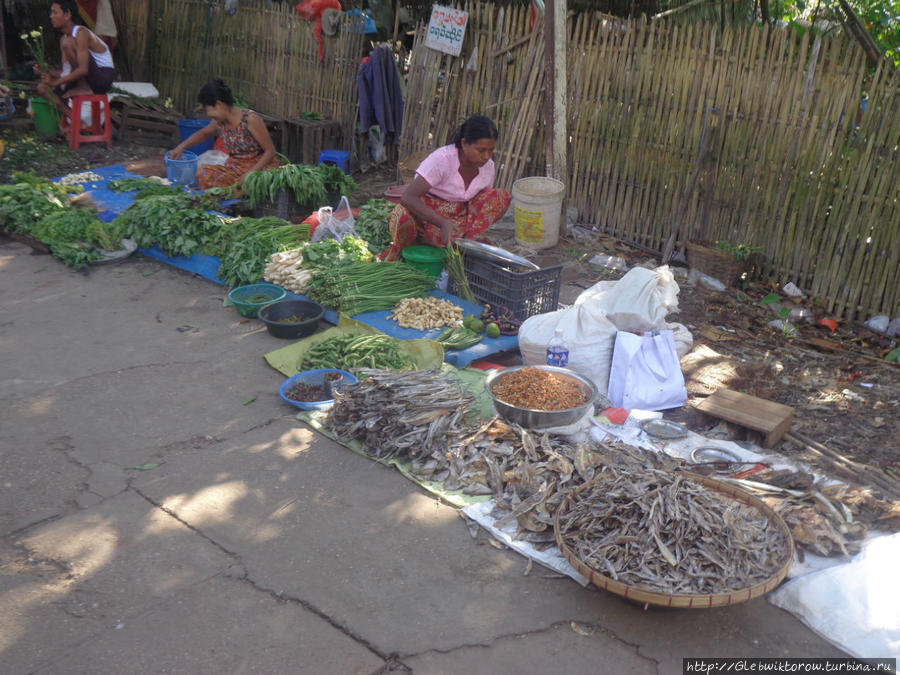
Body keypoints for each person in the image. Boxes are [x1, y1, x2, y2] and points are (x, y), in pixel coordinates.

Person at [380, 115, 512, 261]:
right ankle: (425, 243)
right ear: (464, 143)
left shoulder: (488, 167)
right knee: (402, 214)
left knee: (501, 196)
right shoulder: (442, 160)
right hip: (428, 216)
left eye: (491, 150)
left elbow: (481, 203)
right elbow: (408, 197)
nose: (487, 156)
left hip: (459, 219)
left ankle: (466, 243)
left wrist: (465, 229)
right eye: (481, 150)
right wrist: (442, 223)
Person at [169, 79, 278, 190]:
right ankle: (233, 192)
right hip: (235, 171)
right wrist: (181, 147)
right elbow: (204, 133)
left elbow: (270, 151)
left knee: (255, 185)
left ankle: (238, 192)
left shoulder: (250, 119)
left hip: (258, 169)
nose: (210, 116)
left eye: (209, 111)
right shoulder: (219, 121)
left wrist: (251, 174)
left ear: (219, 104)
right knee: (203, 173)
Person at [35, 1, 116, 126]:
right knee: (42, 88)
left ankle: (84, 87)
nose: (51, 16)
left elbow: (83, 70)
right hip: (83, 78)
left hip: (102, 78)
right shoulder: (64, 39)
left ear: (67, 15)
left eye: (55, 12)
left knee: (68, 43)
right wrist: (47, 71)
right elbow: (67, 72)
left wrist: (55, 82)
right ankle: (76, 121)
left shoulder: (81, 33)